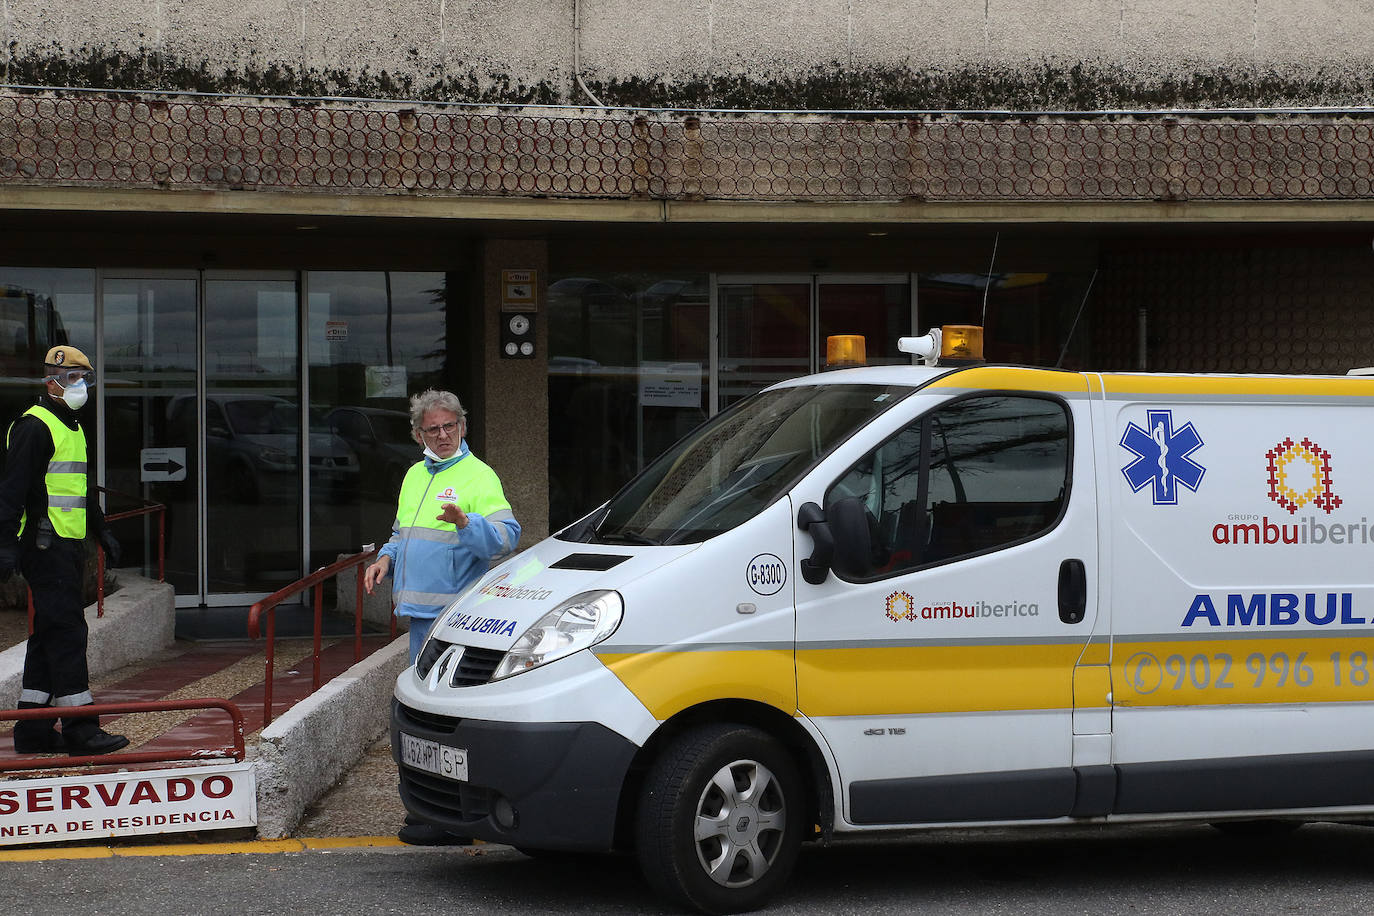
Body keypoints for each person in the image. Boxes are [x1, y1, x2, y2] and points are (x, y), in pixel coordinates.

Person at [363, 388, 520, 845]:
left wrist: (466, 523)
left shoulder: (477, 475)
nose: (443, 434)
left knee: (445, 724)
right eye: (433, 429)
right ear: (418, 435)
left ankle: (451, 821)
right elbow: (402, 533)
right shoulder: (415, 474)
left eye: (450, 426)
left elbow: (507, 537)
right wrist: (385, 558)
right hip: (419, 618)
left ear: (463, 427)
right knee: (419, 720)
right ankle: (428, 811)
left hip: (455, 622)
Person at [0, 345, 127, 757]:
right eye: (73, 378)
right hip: (44, 545)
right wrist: (4, 547)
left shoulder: (70, 426)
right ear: (51, 380)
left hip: (66, 545)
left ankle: (32, 731)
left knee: (48, 634)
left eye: (85, 378)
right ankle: (80, 728)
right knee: (70, 631)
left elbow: (80, 487)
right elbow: (10, 493)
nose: (81, 386)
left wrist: (101, 529)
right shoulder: (34, 426)